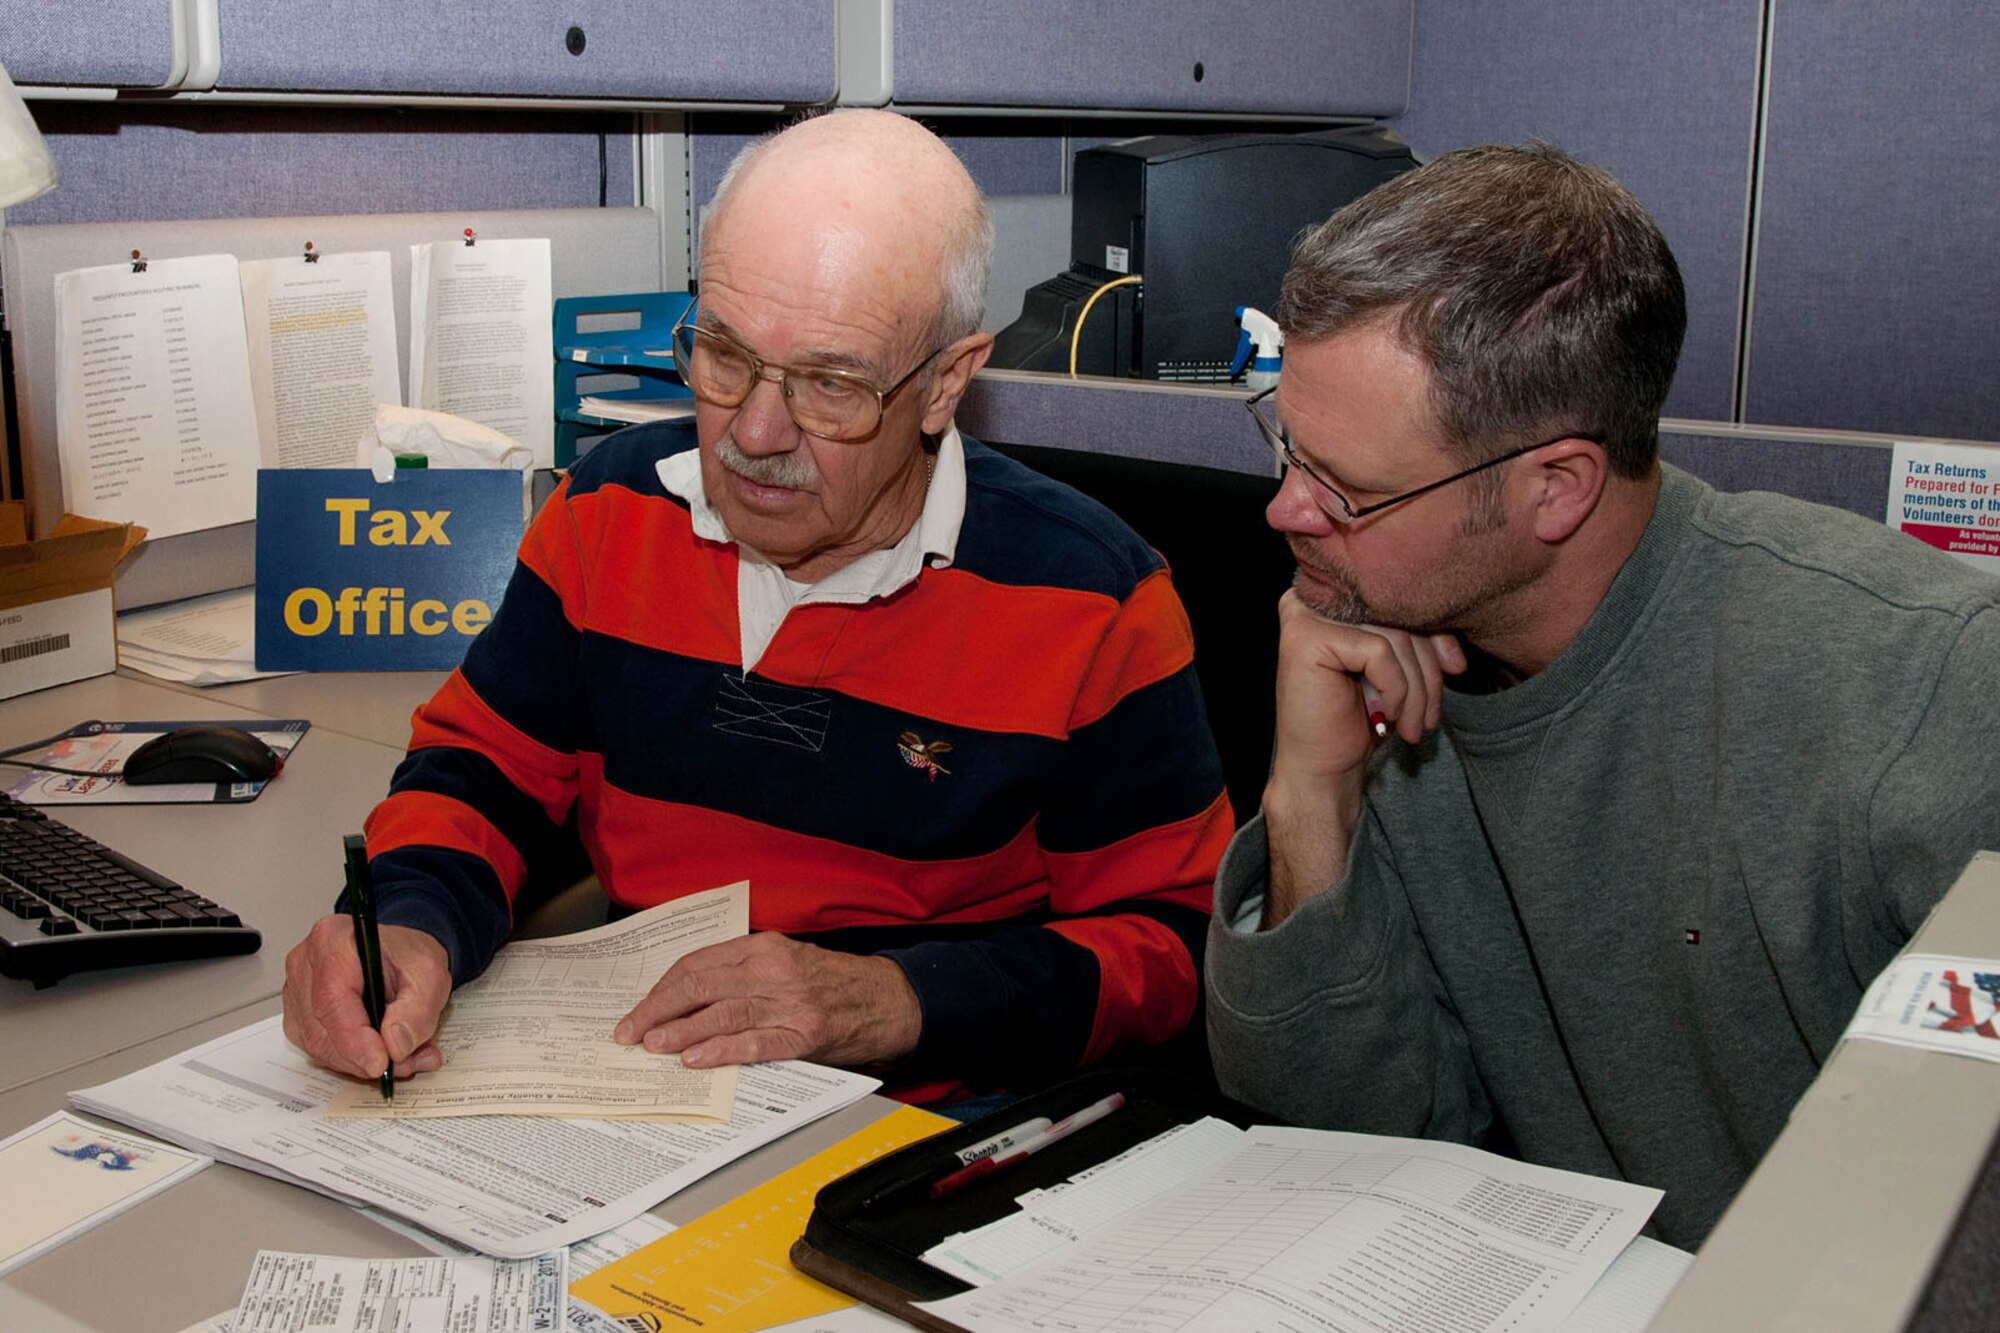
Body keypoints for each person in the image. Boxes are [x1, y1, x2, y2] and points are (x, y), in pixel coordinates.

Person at [284, 110, 1231, 1104]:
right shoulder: (610, 510)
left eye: (830, 383)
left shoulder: (1092, 601)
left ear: (945, 383)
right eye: (725, 357)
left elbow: (1178, 946)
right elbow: (481, 771)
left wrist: (896, 999)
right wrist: (407, 918)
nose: (756, 431)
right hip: (641, 1090)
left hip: (915, 1123)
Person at [1203, 142, 2000, 1247]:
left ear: (1557, 487)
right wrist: (1308, 799)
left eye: (1345, 489)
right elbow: (1341, 1142)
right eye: (1287, 447)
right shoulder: (1372, 665)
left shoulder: (1921, 685)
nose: (1285, 510)